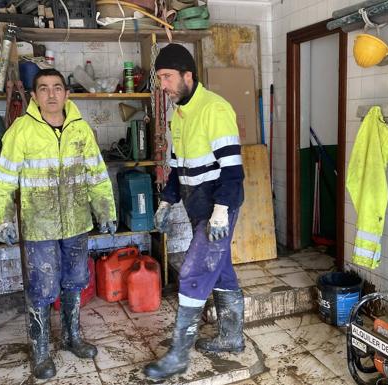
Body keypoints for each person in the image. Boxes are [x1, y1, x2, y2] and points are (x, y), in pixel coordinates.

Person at [0, 68, 117, 379]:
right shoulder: (22, 131)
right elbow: (3, 180)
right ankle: (41, 349)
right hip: (39, 226)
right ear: (34, 96)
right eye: (43, 89)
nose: (51, 94)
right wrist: (3, 218)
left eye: (57, 88)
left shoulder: (81, 130)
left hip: (76, 223)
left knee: (75, 282)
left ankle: (72, 337)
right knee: (42, 289)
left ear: (66, 94)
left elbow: (97, 177)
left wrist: (106, 211)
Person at [143, 43, 246, 381]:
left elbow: (232, 171)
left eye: (168, 77)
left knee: (192, 271)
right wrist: (166, 201)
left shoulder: (215, 109)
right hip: (195, 203)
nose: (164, 85)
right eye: (160, 78)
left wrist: (221, 211)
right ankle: (232, 337)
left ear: (188, 75)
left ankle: (178, 356)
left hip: (219, 205)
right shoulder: (179, 114)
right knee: (220, 268)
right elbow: (176, 168)